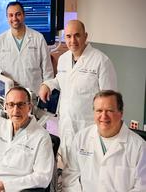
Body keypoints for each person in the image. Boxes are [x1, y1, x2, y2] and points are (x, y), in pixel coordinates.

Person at [38, 20, 117, 166]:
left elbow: (110, 101)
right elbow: (60, 80)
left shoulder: (101, 61)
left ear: (85, 36)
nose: (72, 40)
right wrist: (47, 85)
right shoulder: (63, 59)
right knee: (69, 168)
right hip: (67, 125)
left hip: (89, 128)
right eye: (68, 36)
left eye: (77, 35)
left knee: (89, 170)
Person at [0, 86, 54, 192]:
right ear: (5, 107)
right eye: (11, 105)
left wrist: (2, 185)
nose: (16, 110)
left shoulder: (41, 137)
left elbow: (42, 177)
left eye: (20, 104)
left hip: (15, 189)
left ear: (29, 107)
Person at [62, 90, 146, 191]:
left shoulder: (139, 147)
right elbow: (70, 177)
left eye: (109, 110)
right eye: (99, 110)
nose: (104, 116)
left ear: (121, 113)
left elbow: (142, 188)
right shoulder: (81, 138)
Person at [0, 1, 53, 94]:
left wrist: (46, 89)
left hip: (34, 94)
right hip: (9, 95)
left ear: (24, 15)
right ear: (7, 18)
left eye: (18, 14)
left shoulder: (38, 38)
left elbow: (47, 71)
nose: (14, 18)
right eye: (11, 15)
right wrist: (2, 75)